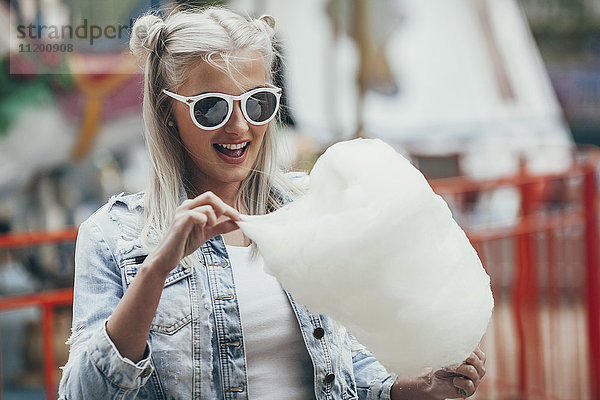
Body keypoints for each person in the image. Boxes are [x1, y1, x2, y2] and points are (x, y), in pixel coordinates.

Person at [58, 6, 486, 399]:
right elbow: (82, 392)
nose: (239, 125)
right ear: (168, 111)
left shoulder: (310, 205)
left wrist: (418, 387)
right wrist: (156, 270)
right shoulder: (114, 235)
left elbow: (348, 365)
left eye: (257, 102)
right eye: (211, 108)